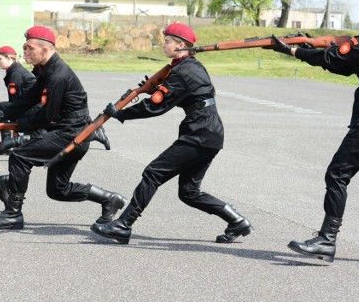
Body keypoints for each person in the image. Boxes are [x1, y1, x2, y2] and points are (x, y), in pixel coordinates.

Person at [91, 23, 253, 245]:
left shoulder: (183, 71)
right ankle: (236, 221)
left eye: (167, 41)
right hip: (209, 132)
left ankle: (123, 225)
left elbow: (155, 107)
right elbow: (181, 97)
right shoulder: (190, 66)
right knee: (188, 192)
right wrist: (155, 88)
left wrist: (121, 114)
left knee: (153, 173)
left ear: (180, 45)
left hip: (199, 133)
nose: (163, 44)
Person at [272, 0, 359, 264]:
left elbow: (333, 56)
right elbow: (342, 66)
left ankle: (327, 240)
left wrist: (295, 52)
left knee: (337, 174)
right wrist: (307, 46)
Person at [0, 26, 127, 230]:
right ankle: (110, 199)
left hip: (72, 135)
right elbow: (30, 98)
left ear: (46, 49)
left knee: (19, 156)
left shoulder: (58, 75)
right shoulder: (48, 69)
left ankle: (13, 213)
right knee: (58, 190)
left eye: (29, 48)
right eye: (25, 47)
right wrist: (1, 115)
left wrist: (18, 124)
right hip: (73, 133)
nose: (25, 52)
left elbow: (47, 116)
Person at [0, 45, 36, 159]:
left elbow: (16, 103)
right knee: (3, 107)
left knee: (1, 107)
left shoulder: (16, 74)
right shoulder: (14, 70)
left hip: (33, 108)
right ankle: (7, 141)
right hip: (32, 106)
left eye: (0, 59)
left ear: (9, 58)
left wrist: (15, 127)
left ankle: (7, 142)